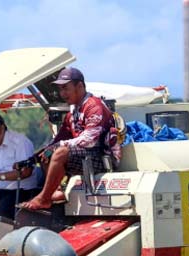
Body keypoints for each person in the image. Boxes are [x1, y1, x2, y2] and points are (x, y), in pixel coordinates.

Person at [21, 67, 120, 210]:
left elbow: (89, 140)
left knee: (60, 152)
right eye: (60, 89)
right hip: (85, 157)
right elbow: (58, 140)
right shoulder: (73, 111)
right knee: (47, 154)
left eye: (65, 88)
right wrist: (33, 159)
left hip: (103, 158)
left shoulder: (94, 105)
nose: (62, 93)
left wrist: (58, 146)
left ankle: (44, 198)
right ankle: (56, 191)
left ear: (79, 86)